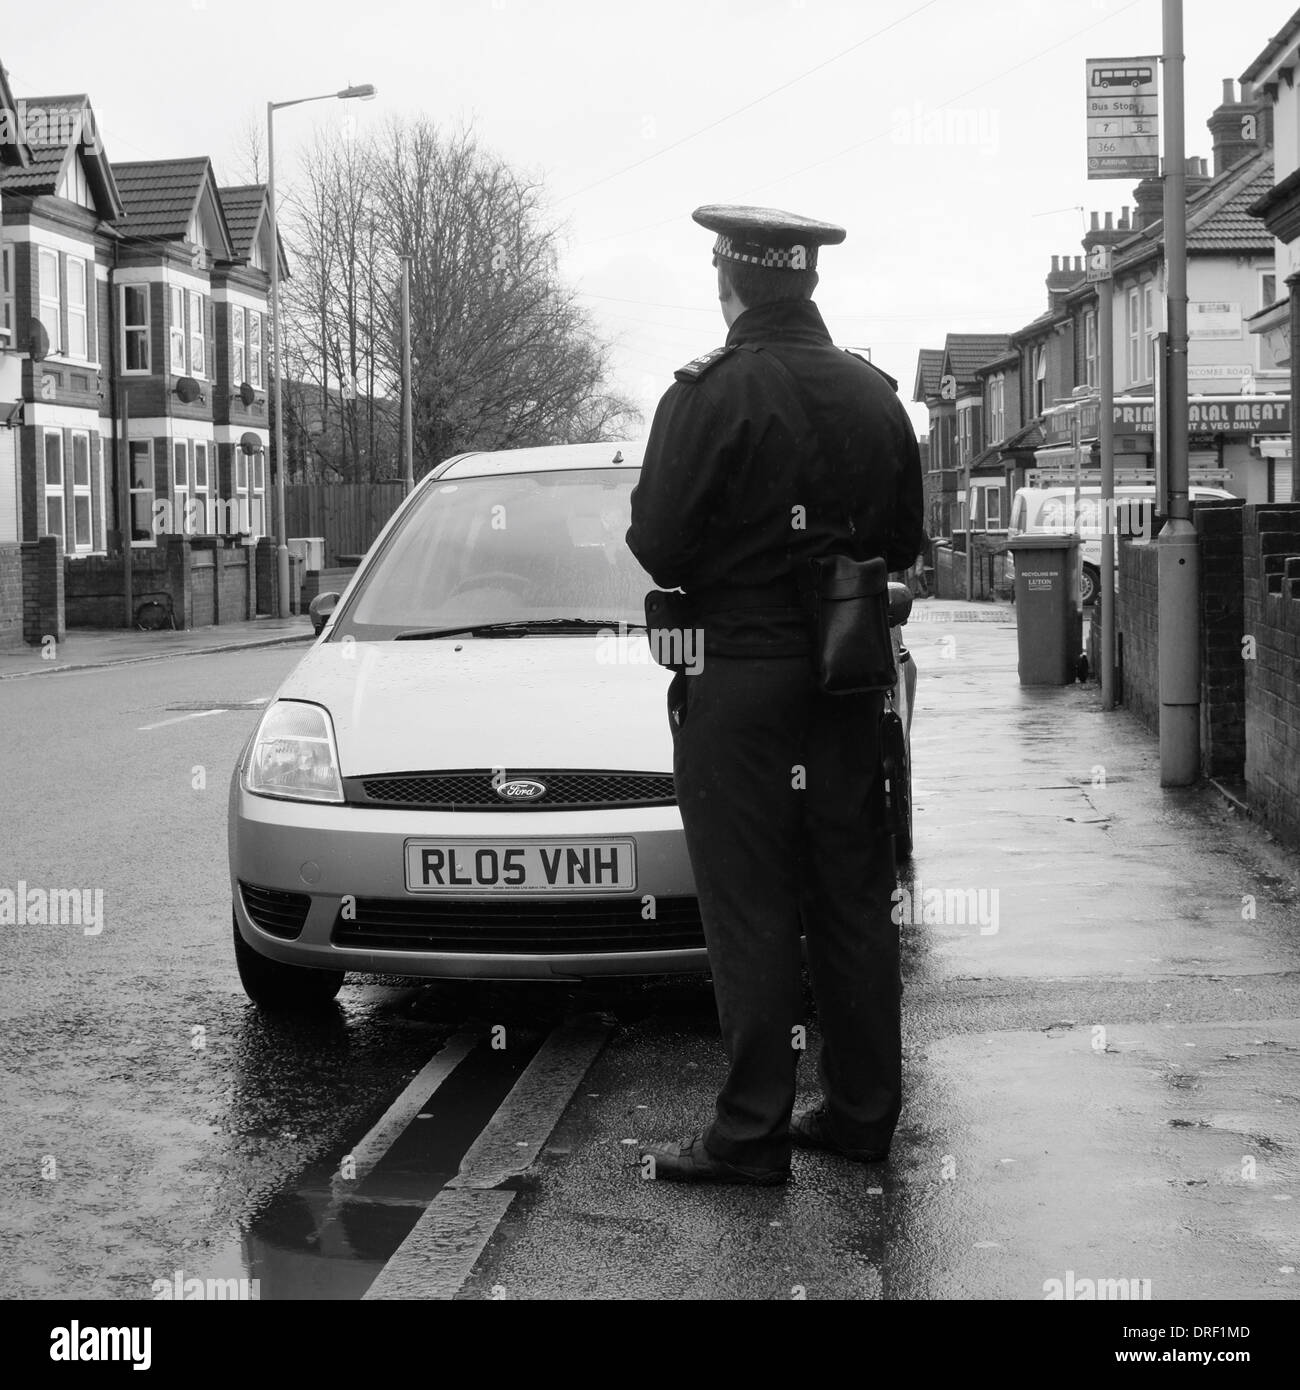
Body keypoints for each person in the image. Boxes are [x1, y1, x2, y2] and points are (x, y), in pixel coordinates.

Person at [626, 205, 925, 1185]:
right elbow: (905, 544)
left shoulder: (705, 394)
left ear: (729, 281)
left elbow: (660, 542)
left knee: (750, 904)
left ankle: (750, 1132)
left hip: (738, 677)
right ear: (806, 283)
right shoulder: (876, 396)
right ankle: (860, 1113)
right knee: (850, 896)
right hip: (848, 675)